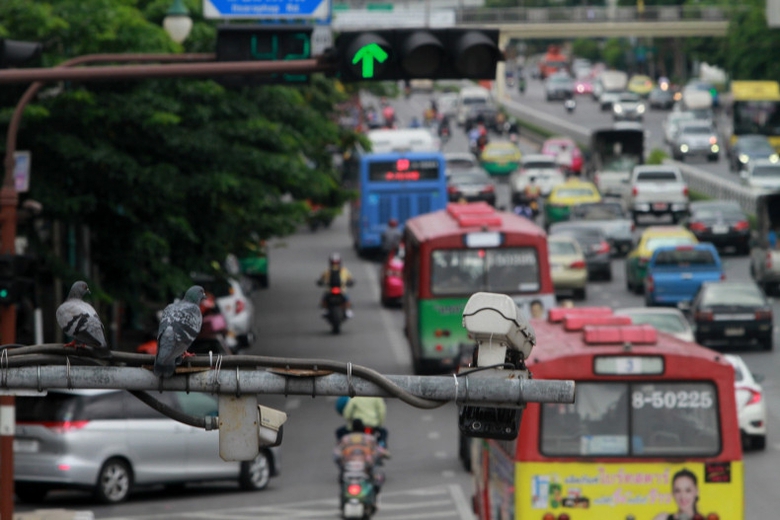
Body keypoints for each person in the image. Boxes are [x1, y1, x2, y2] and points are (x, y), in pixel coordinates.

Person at [319, 252, 355, 318]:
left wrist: (350, 282)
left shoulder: (342, 270)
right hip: (333, 289)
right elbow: (321, 279)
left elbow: (350, 279)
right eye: (334, 262)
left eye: (336, 262)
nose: (335, 264)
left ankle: (347, 310)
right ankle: (326, 309)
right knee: (325, 298)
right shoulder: (328, 271)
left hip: (339, 289)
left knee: (346, 298)